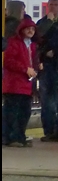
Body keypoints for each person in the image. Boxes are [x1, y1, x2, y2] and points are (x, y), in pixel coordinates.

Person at [35, 0, 58, 142]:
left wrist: (56, 51)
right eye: (51, 4)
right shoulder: (41, 23)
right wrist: (45, 53)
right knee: (46, 101)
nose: (53, 7)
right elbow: (37, 40)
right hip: (46, 66)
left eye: (56, 4)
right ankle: (49, 131)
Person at [3, 18, 38, 147]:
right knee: (12, 112)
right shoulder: (14, 43)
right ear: (21, 30)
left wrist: (35, 68)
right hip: (14, 84)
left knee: (24, 112)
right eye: (28, 28)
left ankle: (19, 135)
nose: (31, 31)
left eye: (33, 29)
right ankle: (9, 137)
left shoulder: (32, 45)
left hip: (26, 85)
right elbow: (9, 61)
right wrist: (25, 69)